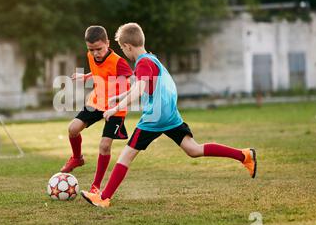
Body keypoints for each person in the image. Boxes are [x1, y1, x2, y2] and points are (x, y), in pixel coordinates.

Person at [81, 22, 257, 208]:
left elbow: (139, 91)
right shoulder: (151, 59)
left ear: (127, 46)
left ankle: (104, 198)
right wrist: (119, 96)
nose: (124, 52)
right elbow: (140, 86)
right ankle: (244, 156)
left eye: (123, 48)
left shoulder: (142, 64)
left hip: (155, 118)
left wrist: (115, 109)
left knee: (126, 156)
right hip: (170, 114)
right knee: (193, 149)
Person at [60, 26, 133, 195]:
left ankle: (96, 185)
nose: (95, 54)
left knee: (104, 146)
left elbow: (131, 85)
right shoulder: (91, 55)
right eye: (91, 50)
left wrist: (117, 105)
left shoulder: (119, 63)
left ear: (107, 43)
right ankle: (77, 158)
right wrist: (85, 77)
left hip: (115, 109)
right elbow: (98, 72)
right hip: (96, 102)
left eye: (99, 49)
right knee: (72, 129)